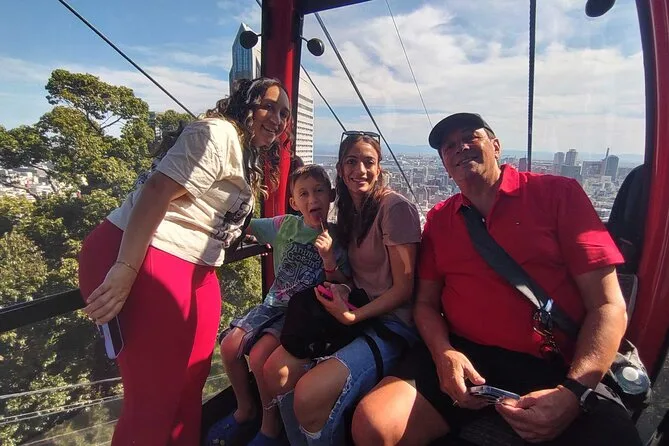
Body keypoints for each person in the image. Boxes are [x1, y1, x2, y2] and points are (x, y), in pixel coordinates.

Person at [352, 113, 642, 446]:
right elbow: (425, 305)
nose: (460, 147)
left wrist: (573, 392)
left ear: (496, 146)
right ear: (445, 164)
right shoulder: (440, 219)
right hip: (466, 353)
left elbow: (608, 305)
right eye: (449, 146)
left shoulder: (557, 195)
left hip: (556, 361)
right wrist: (443, 352)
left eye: (470, 137)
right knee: (373, 424)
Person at [78, 77, 291, 446]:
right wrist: (125, 269)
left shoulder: (243, 152)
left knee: (188, 388)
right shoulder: (217, 133)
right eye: (268, 106)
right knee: (154, 402)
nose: (277, 119)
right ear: (246, 104)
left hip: (193, 266)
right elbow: (158, 190)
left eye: (284, 113)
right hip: (149, 253)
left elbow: (207, 211)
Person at [262, 131, 422, 445]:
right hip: (356, 310)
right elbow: (354, 281)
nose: (359, 170)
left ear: (379, 167)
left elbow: (403, 290)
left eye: (368, 162)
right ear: (340, 168)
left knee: (308, 395)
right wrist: (334, 276)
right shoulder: (351, 213)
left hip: (390, 324)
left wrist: (354, 316)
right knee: (275, 372)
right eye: (351, 161)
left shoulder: (394, 208)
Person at [206, 164, 350, 446]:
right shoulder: (284, 226)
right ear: (294, 202)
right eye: (304, 194)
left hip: (300, 314)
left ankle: (269, 425)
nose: (312, 199)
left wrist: (329, 259)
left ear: (331, 195)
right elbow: (248, 224)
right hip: (272, 304)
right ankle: (245, 409)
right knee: (230, 346)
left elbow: (343, 284)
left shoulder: (338, 239)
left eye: (319, 191)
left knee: (260, 356)